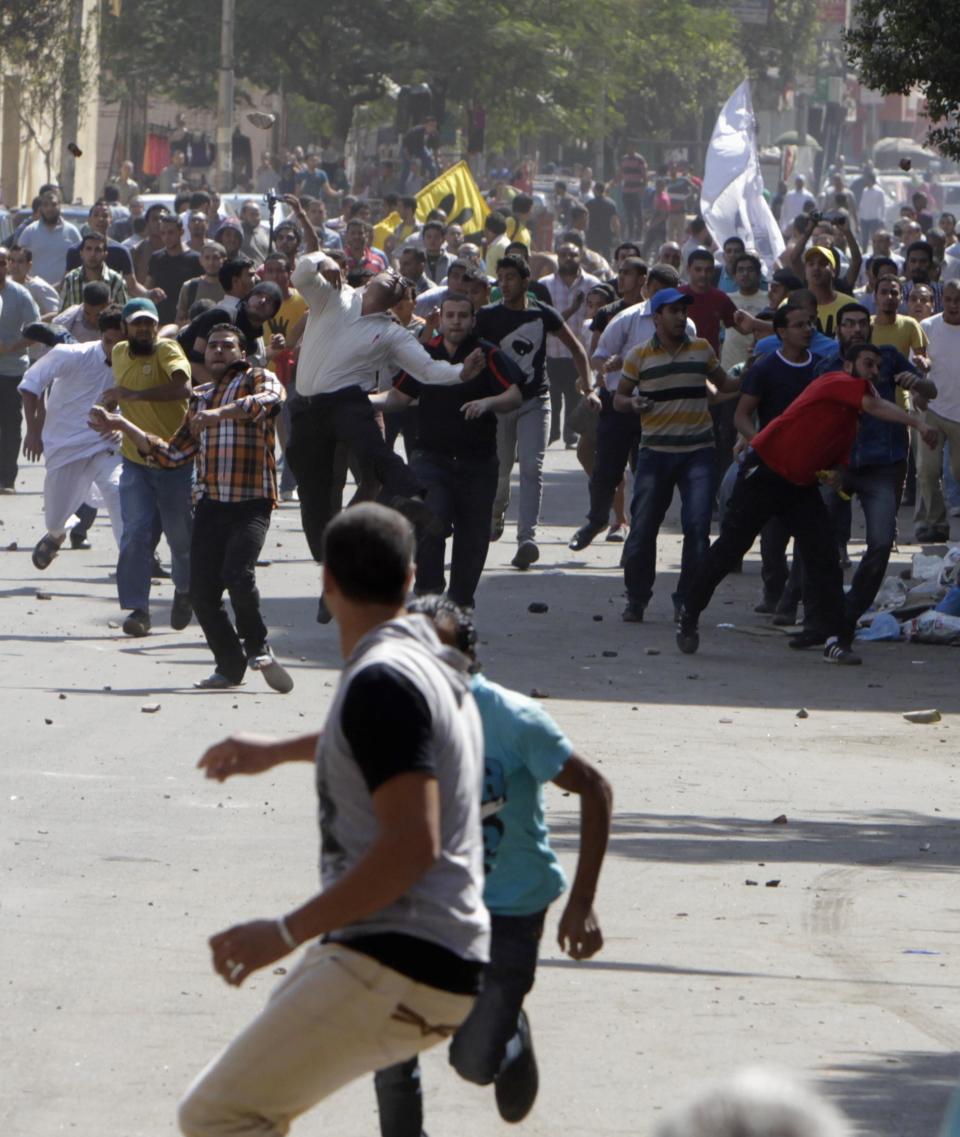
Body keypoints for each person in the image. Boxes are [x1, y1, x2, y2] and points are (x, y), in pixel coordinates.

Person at [177, 503, 489, 1137]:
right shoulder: (427, 666)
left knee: (219, 1116)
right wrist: (278, 750)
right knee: (255, 1101)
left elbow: (410, 848)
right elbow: (384, 742)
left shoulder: (384, 680)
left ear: (327, 582)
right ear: (408, 581)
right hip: (431, 952)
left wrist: (285, 932)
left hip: (402, 953)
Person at [374, 594, 612, 1133]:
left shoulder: (513, 720)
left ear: (469, 658)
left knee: (473, 1061)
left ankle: (508, 1038)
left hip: (508, 909)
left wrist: (582, 903)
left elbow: (595, 788)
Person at [677, 344, 938, 664]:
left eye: (877, 367)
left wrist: (836, 476)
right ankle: (689, 612)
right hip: (765, 474)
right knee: (731, 547)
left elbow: (837, 458)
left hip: (799, 485)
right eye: (867, 363)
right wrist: (920, 425)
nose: (873, 371)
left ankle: (835, 638)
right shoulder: (836, 382)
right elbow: (875, 404)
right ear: (848, 366)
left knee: (824, 557)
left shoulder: (850, 419)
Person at [90, 324, 292, 692]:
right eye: (212, 346)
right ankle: (229, 666)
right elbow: (171, 453)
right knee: (201, 592)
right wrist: (122, 423)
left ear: (241, 352)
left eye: (226, 346)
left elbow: (269, 402)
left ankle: (258, 646)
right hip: (212, 504)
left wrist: (222, 413)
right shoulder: (199, 399)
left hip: (252, 501)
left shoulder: (258, 378)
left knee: (238, 573)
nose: (217, 351)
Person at [286, 254, 487, 589]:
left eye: (400, 285)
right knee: (313, 493)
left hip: (348, 401)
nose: (396, 279)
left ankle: (414, 500)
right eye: (391, 274)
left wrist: (460, 373)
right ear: (369, 280)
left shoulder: (391, 333)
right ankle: (330, 562)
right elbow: (301, 275)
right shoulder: (334, 295)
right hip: (307, 411)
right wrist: (322, 261)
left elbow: (427, 369)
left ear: (397, 302)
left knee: (373, 449)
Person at [373, 294, 524, 608]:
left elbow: (513, 396)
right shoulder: (426, 354)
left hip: (478, 463)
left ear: (472, 321)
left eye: (462, 316)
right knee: (429, 520)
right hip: (430, 459)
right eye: (450, 316)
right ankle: (429, 593)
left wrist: (488, 403)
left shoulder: (487, 354)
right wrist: (362, 402)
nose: (456, 321)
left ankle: (460, 603)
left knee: (473, 539)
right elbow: (399, 397)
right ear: (440, 320)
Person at [616, 288, 741, 623]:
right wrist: (633, 404)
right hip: (654, 453)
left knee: (698, 528)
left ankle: (687, 600)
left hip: (698, 453)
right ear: (656, 317)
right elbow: (620, 398)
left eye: (682, 311)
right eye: (672, 311)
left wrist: (753, 373)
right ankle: (637, 598)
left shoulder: (701, 350)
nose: (679, 316)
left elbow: (725, 385)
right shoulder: (638, 356)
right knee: (643, 528)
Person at [476, 254, 591, 568]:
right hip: (500, 404)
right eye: (501, 278)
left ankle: (527, 538)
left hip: (535, 402)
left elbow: (577, 349)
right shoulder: (486, 317)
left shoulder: (544, 314)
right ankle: (496, 512)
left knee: (530, 468)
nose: (505, 284)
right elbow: (471, 356)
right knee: (500, 470)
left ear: (526, 282)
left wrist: (589, 387)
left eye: (511, 278)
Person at [104, 298, 194, 638]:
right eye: (137, 323)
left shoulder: (168, 350)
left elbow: (183, 387)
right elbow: (121, 394)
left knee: (180, 538)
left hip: (175, 462)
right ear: (126, 327)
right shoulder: (118, 353)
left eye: (149, 323)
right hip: (136, 462)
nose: (144, 328)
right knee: (135, 533)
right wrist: (110, 404)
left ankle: (184, 592)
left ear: (157, 326)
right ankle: (138, 610)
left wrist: (133, 396)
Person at [733, 303, 829, 613]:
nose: (808, 329)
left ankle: (796, 601)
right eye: (800, 324)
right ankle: (773, 590)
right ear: (781, 332)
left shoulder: (822, 368)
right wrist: (758, 442)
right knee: (771, 537)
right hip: (772, 465)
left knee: (810, 539)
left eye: (810, 323)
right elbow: (742, 416)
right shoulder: (765, 367)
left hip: (809, 466)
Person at [20, 307, 126, 568]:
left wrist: (122, 426)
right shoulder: (71, 355)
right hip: (64, 445)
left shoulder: (136, 364)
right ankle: (57, 534)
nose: (114, 348)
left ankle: (132, 560)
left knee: (117, 491)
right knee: (55, 517)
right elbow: (31, 383)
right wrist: (34, 430)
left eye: (120, 342)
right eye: (109, 341)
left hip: (105, 444)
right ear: (101, 335)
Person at [540, 242, 601, 447]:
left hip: (579, 353)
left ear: (580, 256)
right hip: (551, 351)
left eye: (572, 255)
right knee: (553, 398)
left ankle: (571, 436)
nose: (568, 258)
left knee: (575, 396)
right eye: (563, 254)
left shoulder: (593, 284)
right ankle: (552, 433)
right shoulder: (545, 285)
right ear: (557, 256)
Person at [915, 278, 960, 542]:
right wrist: (918, 390)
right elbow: (914, 365)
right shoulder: (927, 327)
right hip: (932, 410)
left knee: (957, 472)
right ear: (942, 300)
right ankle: (933, 523)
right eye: (950, 300)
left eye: (959, 301)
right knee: (927, 470)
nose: (954, 305)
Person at [0, 246, 42, 492]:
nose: (2, 267)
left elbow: (36, 330)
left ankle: (7, 479)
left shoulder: (20, 294)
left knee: (10, 424)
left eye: (3, 263)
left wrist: (12, 346)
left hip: (12, 369)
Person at [16, 188, 83, 286]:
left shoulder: (72, 232)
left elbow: (81, 261)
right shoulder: (29, 232)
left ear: (60, 206)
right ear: (41, 208)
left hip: (65, 292)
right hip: (35, 292)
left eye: (54, 204)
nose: (50, 208)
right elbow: (18, 261)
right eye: (46, 205)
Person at [146, 216, 202, 326]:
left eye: (171, 233)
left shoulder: (196, 259)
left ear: (181, 232)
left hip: (185, 321)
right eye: (163, 233)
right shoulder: (156, 258)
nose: (166, 237)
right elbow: (148, 286)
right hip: (159, 319)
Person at [59, 233, 128, 310]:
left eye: (98, 250)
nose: (92, 254)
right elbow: (62, 315)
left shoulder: (116, 281)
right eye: (88, 249)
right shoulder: (71, 279)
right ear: (81, 253)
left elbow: (122, 315)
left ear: (105, 254)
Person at [175, 242, 226, 325]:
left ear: (224, 260)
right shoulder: (190, 286)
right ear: (201, 260)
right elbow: (179, 321)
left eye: (216, 258)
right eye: (207, 258)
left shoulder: (231, 287)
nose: (211, 263)